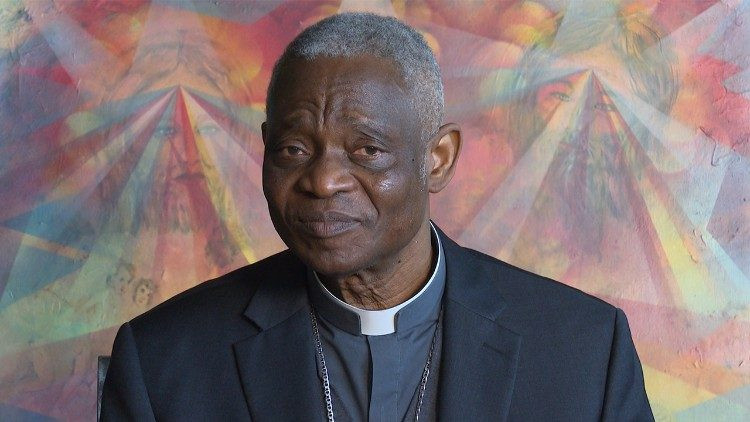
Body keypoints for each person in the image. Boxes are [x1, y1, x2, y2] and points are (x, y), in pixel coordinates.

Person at [101, 12, 653, 421]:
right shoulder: (163, 361)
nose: (323, 181)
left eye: (366, 150)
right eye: (294, 149)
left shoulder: (583, 352)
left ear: (437, 159)